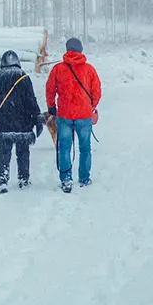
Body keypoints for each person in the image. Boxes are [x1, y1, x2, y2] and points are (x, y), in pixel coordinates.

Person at [44, 36, 102, 193]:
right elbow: (96, 90)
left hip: (65, 115)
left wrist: (51, 107)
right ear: (81, 50)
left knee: (64, 148)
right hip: (84, 115)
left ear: (67, 49)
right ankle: (84, 178)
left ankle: (66, 179)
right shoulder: (89, 69)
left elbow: (50, 89)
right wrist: (92, 105)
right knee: (85, 148)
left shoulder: (58, 69)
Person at [0, 50, 44, 193]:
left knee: (4, 153)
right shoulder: (23, 77)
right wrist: (37, 117)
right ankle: (23, 179)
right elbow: (31, 100)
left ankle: (2, 180)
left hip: (4, 123)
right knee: (23, 152)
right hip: (23, 122)